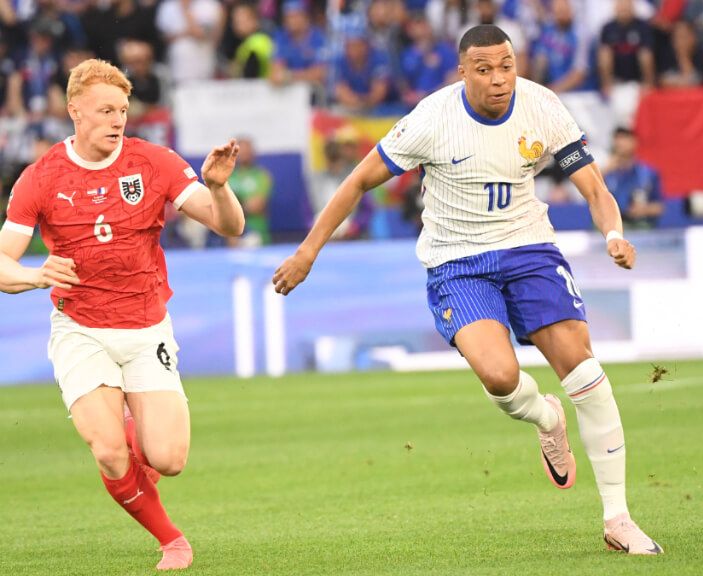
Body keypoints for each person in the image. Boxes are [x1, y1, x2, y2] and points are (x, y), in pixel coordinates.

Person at [273, 24, 663, 555]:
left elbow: (594, 187)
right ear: (463, 72)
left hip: (529, 249)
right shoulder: (432, 120)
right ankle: (547, 418)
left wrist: (613, 235)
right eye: (485, 69)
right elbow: (359, 180)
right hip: (457, 261)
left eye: (507, 66)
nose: (499, 79)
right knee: (501, 378)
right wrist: (308, 250)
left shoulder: (543, 107)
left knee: (585, 369)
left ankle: (618, 517)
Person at [0, 59, 245, 570]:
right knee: (109, 450)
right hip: (80, 329)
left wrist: (219, 188)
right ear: (74, 111)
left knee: (168, 460)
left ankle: (135, 419)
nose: (117, 120)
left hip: (146, 326)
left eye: (123, 111)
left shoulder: (152, 162)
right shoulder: (41, 177)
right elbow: (4, 263)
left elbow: (231, 228)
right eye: (105, 110)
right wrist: (35, 275)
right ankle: (173, 541)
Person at [603, 127, 664, 229]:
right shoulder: (607, 173)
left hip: (639, 224)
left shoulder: (648, 173)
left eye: (624, 138)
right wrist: (606, 170)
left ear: (634, 142)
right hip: (612, 225)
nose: (620, 143)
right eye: (617, 139)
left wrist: (644, 210)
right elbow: (591, 194)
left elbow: (659, 207)